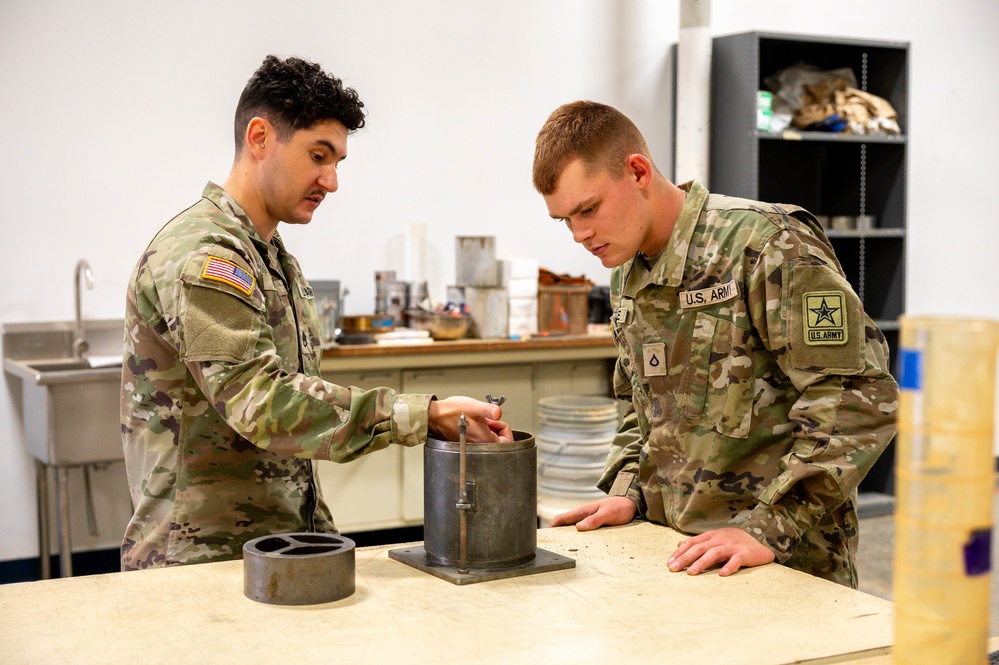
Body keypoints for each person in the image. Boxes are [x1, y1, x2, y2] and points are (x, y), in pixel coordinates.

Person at [120, 55, 512, 571]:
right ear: (260, 138)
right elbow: (260, 402)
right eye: (318, 155)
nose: (331, 181)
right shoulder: (207, 257)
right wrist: (425, 414)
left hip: (273, 547)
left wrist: (319, 533)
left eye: (337, 162)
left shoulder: (270, 255)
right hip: (201, 561)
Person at [532, 101, 897, 587]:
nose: (579, 235)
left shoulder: (766, 245)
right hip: (678, 555)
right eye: (565, 221)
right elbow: (640, 406)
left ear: (637, 171)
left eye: (588, 209)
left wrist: (769, 525)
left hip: (783, 562)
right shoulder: (628, 274)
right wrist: (630, 490)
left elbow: (858, 397)